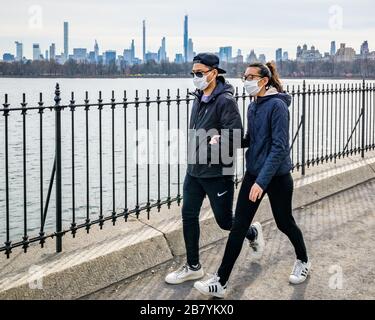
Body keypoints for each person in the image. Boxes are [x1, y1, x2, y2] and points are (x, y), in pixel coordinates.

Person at [194, 62, 310, 298]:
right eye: (244, 76)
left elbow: (278, 149)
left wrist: (261, 182)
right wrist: (225, 139)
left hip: (276, 177)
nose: (245, 81)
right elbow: (250, 139)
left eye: (250, 77)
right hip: (254, 174)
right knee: (238, 227)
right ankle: (221, 281)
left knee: (284, 222)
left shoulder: (277, 106)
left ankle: (303, 261)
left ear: (264, 80)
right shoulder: (253, 105)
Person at [165, 53, 265, 285]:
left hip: (217, 173)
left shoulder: (225, 101)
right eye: (193, 74)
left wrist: (217, 142)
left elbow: (237, 136)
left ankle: (252, 232)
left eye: (200, 73)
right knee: (188, 216)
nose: (196, 77)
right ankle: (193, 266)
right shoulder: (198, 97)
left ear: (214, 72)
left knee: (225, 222)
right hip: (194, 171)